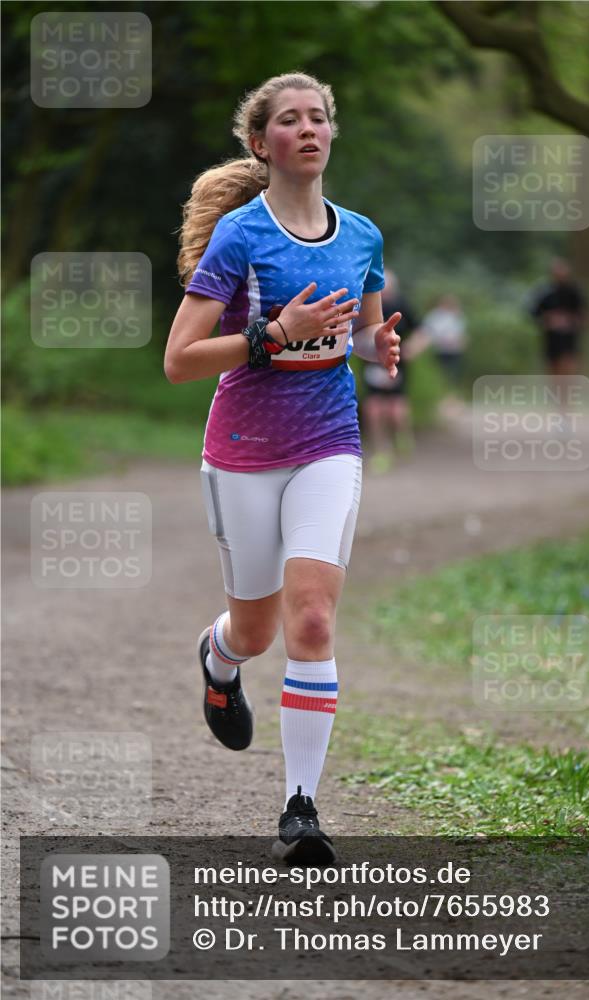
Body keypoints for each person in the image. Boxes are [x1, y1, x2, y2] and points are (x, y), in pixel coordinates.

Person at [164, 72, 400, 864]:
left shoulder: (362, 235)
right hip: (241, 451)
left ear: (331, 135)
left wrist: (378, 347)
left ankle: (300, 809)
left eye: (319, 117)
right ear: (261, 145)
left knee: (310, 620)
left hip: (327, 442)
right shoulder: (240, 237)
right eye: (290, 120)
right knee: (257, 630)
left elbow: (358, 336)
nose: (309, 128)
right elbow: (180, 361)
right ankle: (219, 658)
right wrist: (271, 331)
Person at [361, 269, 420, 472]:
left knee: (396, 409)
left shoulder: (402, 305)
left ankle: (402, 437)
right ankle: (381, 449)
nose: (385, 292)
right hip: (372, 363)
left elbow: (422, 330)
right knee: (374, 408)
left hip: (397, 363)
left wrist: (413, 347)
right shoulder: (366, 302)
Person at [529, 258, 586, 377]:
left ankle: (567, 392)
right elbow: (534, 314)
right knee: (553, 369)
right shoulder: (544, 293)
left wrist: (569, 321)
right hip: (551, 338)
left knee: (568, 366)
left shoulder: (574, 292)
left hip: (569, 337)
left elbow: (582, 315)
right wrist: (549, 320)